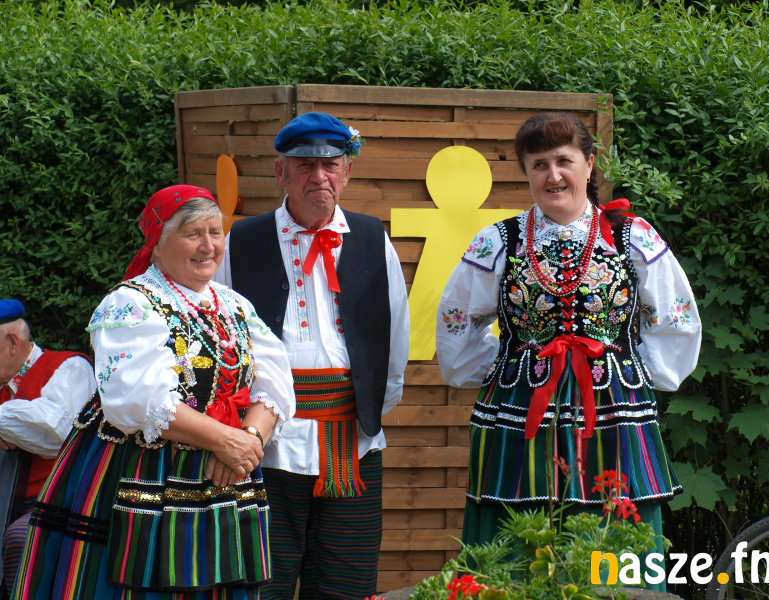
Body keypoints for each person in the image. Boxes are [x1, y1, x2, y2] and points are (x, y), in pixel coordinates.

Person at [436, 113, 701, 591]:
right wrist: (507, 367)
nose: (553, 175)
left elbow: (674, 317)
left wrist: (634, 369)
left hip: (613, 407)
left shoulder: (631, 235)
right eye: (539, 164)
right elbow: (458, 320)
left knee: (614, 537)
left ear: (589, 164)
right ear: (526, 172)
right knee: (514, 540)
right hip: (520, 405)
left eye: (564, 161)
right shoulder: (499, 240)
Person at [11, 185, 296, 599]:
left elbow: (275, 382)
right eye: (193, 233)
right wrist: (225, 441)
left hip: (227, 471)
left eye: (215, 232)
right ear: (157, 244)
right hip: (144, 466)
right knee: (137, 578)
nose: (208, 245)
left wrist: (248, 440)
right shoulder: (130, 304)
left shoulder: (235, 304)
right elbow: (140, 401)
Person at [214, 112, 410, 600]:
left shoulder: (371, 236)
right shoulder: (243, 239)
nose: (318, 176)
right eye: (304, 165)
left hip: (354, 441)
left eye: (330, 165)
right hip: (269, 443)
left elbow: (395, 332)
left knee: (348, 580)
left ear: (347, 172)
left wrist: (370, 407)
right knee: (263, 578)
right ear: (281, 173)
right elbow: (222, 339)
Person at [0, 299, 95, 593]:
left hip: (57, 501)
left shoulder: (69, 367)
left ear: (12, 342)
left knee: (21, 537)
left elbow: (56, 431)